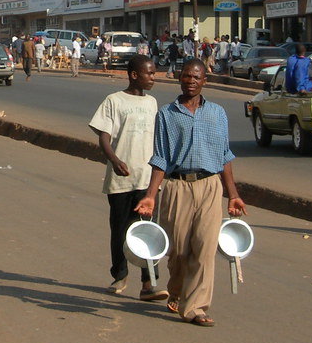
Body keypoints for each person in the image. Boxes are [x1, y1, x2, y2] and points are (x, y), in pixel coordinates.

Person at [134, 59, 246, 327]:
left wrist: (233, 195)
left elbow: (224, 156)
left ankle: (196, 307)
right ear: (179, 79)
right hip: (177, 186)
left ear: (204, 81)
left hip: (209, 186)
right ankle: (177, 291)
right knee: (179, 251)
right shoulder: (167, 114)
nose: (191, 81)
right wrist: (150, 195)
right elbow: (160, 158)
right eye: (186, 76)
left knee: (205, 249)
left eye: (196, 77)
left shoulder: (217, 113)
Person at [89, 54, 168, 302]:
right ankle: (120, 275)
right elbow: (104, 135)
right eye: (149, 73)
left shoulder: (152, 103)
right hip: (121, 179)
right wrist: (114, 160)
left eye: (154, 73)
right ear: (134, 75)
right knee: (120, 229)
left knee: (148, 231)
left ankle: (149, 282)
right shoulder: (114, 101)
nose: (153, 78)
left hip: (147, 180)